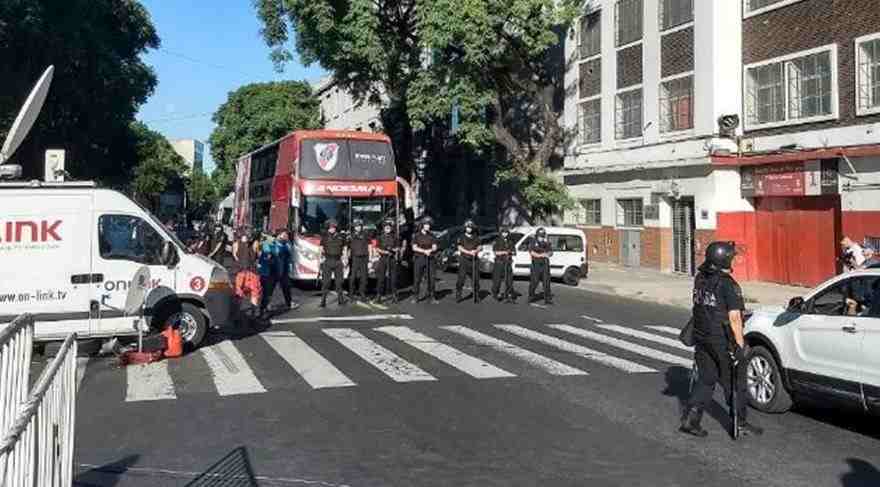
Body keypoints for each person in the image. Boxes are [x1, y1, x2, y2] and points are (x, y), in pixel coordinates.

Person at [680, 241, 763, 438]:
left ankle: (690, 421)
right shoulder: (728, 284)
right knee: (735, 383)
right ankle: (740, 422)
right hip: (721, 340)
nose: (732, 258)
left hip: (702, 337)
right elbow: (734, 318)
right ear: (724, 259)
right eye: (730, 256)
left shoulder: (700, 278)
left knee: (706, 379)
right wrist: (740, 345)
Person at [261, 228, 300, 313]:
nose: (286, 236)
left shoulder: (286, 244)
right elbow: (268, 253)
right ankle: (265, 306)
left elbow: (289, 256)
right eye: (284, 235)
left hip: (283, 270)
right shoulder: (270, 243)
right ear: (279, 235)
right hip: (272, 271)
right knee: (269, 290)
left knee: (286, 287)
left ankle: (289, 303)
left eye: (287, 235)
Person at [232, 230, 262, 322]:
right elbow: (259, 255)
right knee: (254, 293)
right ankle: (253, 314)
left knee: (239, 293)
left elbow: (235, 257)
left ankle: (236, 314)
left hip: (240, 271)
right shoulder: (256, 243)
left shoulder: (236, 244)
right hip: (252, 271)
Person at [412, 216, 439, 304]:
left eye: (429, 225)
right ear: (422, 225)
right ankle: (416, 296)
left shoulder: (432, 236)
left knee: (431, 278)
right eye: (426, 224)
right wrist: (424, 251)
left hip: (430, 259)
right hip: (419, 258)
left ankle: (431, 296)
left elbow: (435, 247)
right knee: (417, 278)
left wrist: (430, 251)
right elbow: (414, 247)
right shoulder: (416, 235)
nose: (428, 226)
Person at [320, 219, 347, 308]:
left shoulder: (341, 237)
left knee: (339, 282)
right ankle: (323, 301)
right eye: (330, 228)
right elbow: (320, 249)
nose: (332, 229)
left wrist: (345, 258)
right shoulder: (324, 237)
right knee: (325, 282)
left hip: (338, 261)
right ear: (328, 228)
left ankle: (340, 300)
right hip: (327, 261)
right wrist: (319, 260)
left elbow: (345, 248)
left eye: (333, 227)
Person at [455, 219, 482, 302]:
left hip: (474, 260)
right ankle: (458, 295)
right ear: (465, 228)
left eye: (470, 227)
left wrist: (476, 251)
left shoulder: (476, 237)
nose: (469, 229)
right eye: (467, 227)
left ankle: (476, 296)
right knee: (461, 279)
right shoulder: (461, 237)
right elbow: (459, 247)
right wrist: (468, 252)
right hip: (464, 260)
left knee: (476, 279)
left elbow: (480, 246)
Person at [374, 219, 400, 303]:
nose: (387, 228)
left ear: (391, 228)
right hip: (383, 259)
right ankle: (378, 296)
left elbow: (398, 247)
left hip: (392, 259)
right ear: (384, 228)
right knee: (381, 278)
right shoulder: (380, 237)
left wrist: (393, 250)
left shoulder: (395, 237)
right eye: (386, 227)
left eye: (389, 227)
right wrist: (385, 251)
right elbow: (377, 248)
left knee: (393, 278)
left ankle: (394, 296)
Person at [528, 228, 553, 305]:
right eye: (540, 236)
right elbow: (531, 252)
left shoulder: (547, 243)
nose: (541, 238)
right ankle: (531, 296)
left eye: (542, 236)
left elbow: (551, 252)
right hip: (536, 264)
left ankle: (547, 299)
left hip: (545, 264)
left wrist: (548, 254)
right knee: (534, 281)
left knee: (546, 282)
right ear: (537, 235)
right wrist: (540, 255)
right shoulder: (533, 242)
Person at [492, 226, 516, 302]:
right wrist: (505, 252)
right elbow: (496, 252)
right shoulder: (497, 240)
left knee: (509, 280)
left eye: (506, 232)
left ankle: (508, 294)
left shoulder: (510, 241)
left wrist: (511, 252)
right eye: (503, 232)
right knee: (497, 280)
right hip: (499, 263)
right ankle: (496, 293)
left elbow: (514, 252)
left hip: (508, 263)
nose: (505, 234)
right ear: (501, 233)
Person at [348, 218, 371, 301]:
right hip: (354, 258)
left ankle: (362, 294)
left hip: (364, 258)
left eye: (359, 226)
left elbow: (370, 246)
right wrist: (346, 258)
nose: (358, 227)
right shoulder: (351, 235)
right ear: (354, 227)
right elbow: (348, 248)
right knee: (352, 277)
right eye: (356, 226)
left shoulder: (366, 234)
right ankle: (351, 294)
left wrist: (370, 259)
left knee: (364, 278)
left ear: (361, 227)